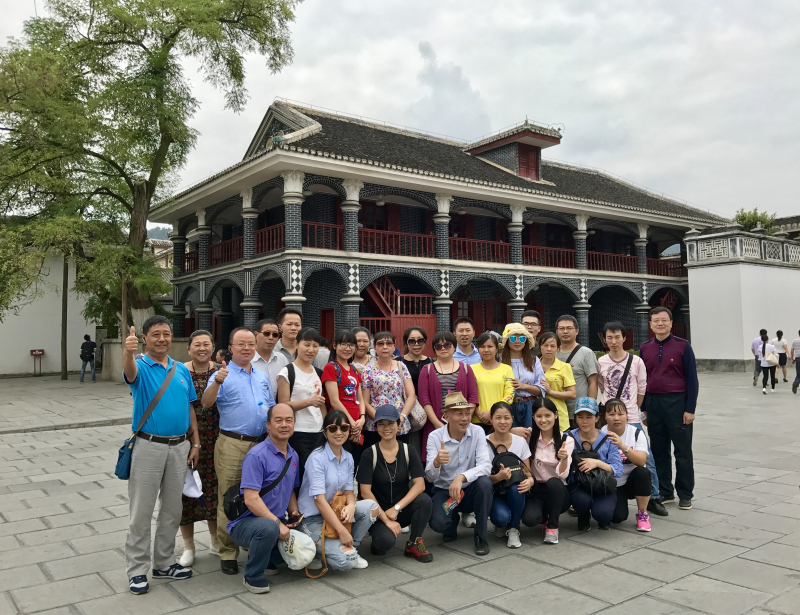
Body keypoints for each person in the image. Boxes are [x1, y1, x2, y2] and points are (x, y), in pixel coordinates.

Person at [122, 317, 199, 594]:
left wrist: (195, 443)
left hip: (180, 447)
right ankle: (137, 570)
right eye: (156, 334)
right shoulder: (140, 366)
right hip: (149, 446)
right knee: (141, 512)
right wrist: (128, 352)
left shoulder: (181, 369)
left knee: (172, 509)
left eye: (166, 333)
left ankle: (164, 563)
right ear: (145, 338)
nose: (162, 338)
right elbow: (129, 373)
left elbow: (190, 407)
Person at [202, 327, 276, 575]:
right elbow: (206, 403)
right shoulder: (221, 374)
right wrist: (217, 381)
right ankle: (228, 552)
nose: (247, 348)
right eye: (241, 344)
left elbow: (271, 407)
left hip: (262, 443)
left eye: (251, 344)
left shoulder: (261, 376)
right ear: (230, 347)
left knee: (261, 495)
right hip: (234, 443)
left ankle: (256, 543)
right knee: (230, 496)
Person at [228, 403, 303, 593]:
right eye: (278, 420)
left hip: (274, 520)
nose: (284, 424)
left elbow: (290, 490)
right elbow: (251, 499)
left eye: (289, 420)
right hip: (245, 523)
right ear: (268, 425)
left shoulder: (293, 455)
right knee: (269, 528)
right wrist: (278, 524)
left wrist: (294, 512)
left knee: (306, 524)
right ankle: (252, 576)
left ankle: (268, 558)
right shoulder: (256, 455)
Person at [597, 322, 667, 518]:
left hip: (631, 416)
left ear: (624, 338)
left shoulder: (636, 361)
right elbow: (602, 386)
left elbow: (642, 388)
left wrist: (632, 409)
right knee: (604, 453)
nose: (613, 341)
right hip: (608, 417)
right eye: (609, 338)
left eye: (617, 337)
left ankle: (653, 497)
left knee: (646, 459)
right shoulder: (601, 362)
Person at [298, 410, 380, 571]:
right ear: (325, 432)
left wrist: (351, 505)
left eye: (343, 428)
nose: (339, 432)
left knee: (372, 507)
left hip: (335, 512)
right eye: (333, 428)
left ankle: (351, 547)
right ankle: (319, 552)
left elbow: (349, 491)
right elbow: (319, 500)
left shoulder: (348, 457)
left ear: (349, 431)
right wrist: (341, 530)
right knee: (347, 562)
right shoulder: (317, 458)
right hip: (312, 519)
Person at [639, 306, 699, 511]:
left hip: (677, 403)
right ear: (650, 324)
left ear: (671, 323)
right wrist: (644, 408)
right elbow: (642, 380)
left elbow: (692, 379)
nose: (660, 324)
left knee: (682, 451)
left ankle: (685, 493)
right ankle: (665, 491)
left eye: (664, 320)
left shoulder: (683, 346)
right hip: (654, 404)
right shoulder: (645, 348)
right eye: (656, 320)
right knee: (658, 450)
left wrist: (690, 409)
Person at [358, 404, 433, 562]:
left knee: (424, 500)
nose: (386, 428)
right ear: (376, 427)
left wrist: (397, 508)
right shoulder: (369, 454)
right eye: (381, 424)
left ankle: (414, 543)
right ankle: (377, 539)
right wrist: (386, 519)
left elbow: (420, 485)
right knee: (385, 543)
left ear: (398, 425)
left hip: (400, 509)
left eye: (391, 423)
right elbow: (365, 492)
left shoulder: (408, 450)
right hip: (377, 512)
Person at [426, 392, 493, 555]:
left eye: (467, 413)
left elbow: (486, 466)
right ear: (446, 416)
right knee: (438, 524)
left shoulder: (477, 431)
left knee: (485, 484)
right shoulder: (435, 437)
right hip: (445, 491)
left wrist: (462, 477)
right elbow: (430, 477)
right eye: (459, 414)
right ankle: (452, 519)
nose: (465, 418)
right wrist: (436, 463)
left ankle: (481, 536)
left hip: (470, 490)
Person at [179, 330, 220, 567]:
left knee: (214, 491)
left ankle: (215, 540)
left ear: (213, 347)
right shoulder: (180, 371)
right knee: (186, 493)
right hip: (187, 440)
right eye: (197, 344)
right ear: (189, 349)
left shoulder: (221, 371)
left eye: (206, 344)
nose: (202, 348)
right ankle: (188, 546)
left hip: (217, 439)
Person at [417, 331, 479, 463]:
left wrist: (465, 418)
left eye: (447, 345)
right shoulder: (427, 369)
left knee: (463, 459)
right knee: (437, 458)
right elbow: (424, 399)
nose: (443, 348)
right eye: (438, 346)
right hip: (435, 423)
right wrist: (437, 424)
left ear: (454, 347)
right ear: (434, 349)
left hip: (462, 423)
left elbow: (473, 397)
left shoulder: (466, 368)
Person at [277, 328, 327, 483]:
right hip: (298, 433)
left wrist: (326, 427)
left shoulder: (318, 372)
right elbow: (283, 405)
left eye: (315, 345)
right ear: (296, 344)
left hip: (318, 432)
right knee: (302, 476)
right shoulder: (287, 372)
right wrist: (309, 402)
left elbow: (321, 404)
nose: (311, 350)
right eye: (307, 344)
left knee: (318, 476)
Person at [521, 398, 573, 544]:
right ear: (533, 417)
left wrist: (563, 459)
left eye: (547, 415)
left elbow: (563, 474)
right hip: (536, 488)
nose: (543, 420)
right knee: (529, 519)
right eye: (538, 416)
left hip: (558, 490)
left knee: (553, 482)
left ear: (555, 415)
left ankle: (553, 526)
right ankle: (543, 518)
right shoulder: (528, 436)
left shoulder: (566, 440)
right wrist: (514, 430)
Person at [568, 397, 622, 531]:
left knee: (603, 514)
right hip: (578, 484)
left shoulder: (608, 439)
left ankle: (603, 516)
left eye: (589, 417)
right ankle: (583, 514)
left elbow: (618, 469)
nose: (584, 421)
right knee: (581, 501)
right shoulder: (568, 437)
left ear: (597, 418)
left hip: (602, 483)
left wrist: (597, 463)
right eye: (580, 417)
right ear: (575, 418)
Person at [486, 402, 534, 549]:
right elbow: (481, 480)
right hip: (494, 492)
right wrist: (498, 477)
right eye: (498, 418)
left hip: (515, 490)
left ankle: (514, 528)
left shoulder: (520, 442)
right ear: (491, 419)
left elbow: (527, 471)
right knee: (501, 517)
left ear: (512, 419)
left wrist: (530, 481)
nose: (503, 422)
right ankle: (502, 522)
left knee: (518, 487)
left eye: (506, 418)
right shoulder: (483, 443)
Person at [602, 399, 652, 532]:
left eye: (620, 414)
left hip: (632, 481)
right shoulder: (600, 434)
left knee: (643, 472)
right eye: (611, 414)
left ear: (627, 416)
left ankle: (642, 514)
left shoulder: (636, 433)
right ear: (605, 416)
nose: (616, 418)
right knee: (618, 517)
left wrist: (622, 445)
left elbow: (641, 461)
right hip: (612, 483)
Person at [361, 331, 416, 447]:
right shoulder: (368, 370)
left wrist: (400, 418)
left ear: (394, 347)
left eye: (389, 343)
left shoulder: (401, 367)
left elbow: (411, 396)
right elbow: (365, 401)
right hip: (375, 425)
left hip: (399, 424)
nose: (385, 347)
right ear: (375, 348)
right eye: (380, 343)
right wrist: (381, 421)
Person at [322, 330, 366, 468]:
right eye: (343, 344)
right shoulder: (331, 367)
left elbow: (360, 398)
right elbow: (334, 401)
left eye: (351, 345)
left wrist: (362, 418)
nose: (348, 348)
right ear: (335, 345)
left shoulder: (354, 369)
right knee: (338, 465)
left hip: (357, 425)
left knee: (353, 466)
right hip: (340, 424)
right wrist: (351, 423)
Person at [499, 323, 547, 430]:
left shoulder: (534, 360)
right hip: (506, 406)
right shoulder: (499, 361)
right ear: (507, 340)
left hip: (530, 405)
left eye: (521, 338)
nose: (517, 341)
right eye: (512, 338)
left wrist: (524, 386)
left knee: (531, 436)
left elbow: (542, 389)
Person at [555, 315, 598, 428]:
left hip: (579, 412)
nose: (565, 331)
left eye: (569, 328)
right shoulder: (551, 352)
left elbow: (593, 382)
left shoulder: (586, 353)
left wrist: (590, 409)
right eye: (561, 328)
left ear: (577, 331)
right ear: (557, 331)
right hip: (556, 411)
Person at [472, 332, 514, 432]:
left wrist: (492, 412)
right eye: (482, 346)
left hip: (500, 421)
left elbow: (510, 394)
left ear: (496, 348)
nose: (486, 350)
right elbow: (468, 395)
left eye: (490, 346)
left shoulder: (507, 369)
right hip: (477, 420)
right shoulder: (471, 369)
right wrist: (478, 412)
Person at [538, 332, 576, 433]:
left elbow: (572, 394)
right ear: (540, 347)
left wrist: (551, 391)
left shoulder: (564, 367)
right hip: (537, 414)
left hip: (558, 414)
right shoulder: (532, 366)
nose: (549, 349)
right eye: (545, 345)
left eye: (552, 346)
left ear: (558, 348)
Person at [251, 318, 290, 393]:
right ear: (256, 335)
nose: (271, 338)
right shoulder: (248, 360)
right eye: (267, 333)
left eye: (275, 335)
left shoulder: (282, 359)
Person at [401, 326, 433, 395]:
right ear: (406, 343)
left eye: (420, 341)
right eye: (412, 341)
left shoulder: (431, 362)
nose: (416, 344)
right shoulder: (398, 363)